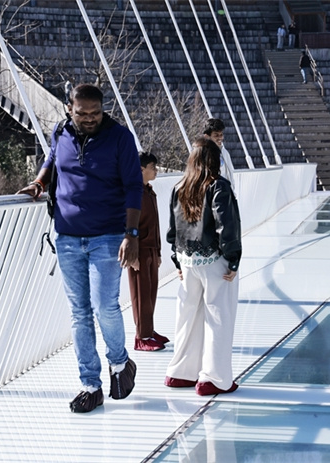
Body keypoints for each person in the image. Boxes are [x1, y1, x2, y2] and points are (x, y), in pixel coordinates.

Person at [17, 83, 142, 413]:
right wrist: (39, 182)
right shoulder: (60, 132)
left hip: (108, 236)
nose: (90, 119)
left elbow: (134, 186)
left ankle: (120, 362)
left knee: (105, 306)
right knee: (79, 314)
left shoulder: (120, 137)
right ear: (69, 109)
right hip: (67, 237)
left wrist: (131, 234)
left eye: (95, 113)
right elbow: (52, 159)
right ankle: (91, 385)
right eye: (82, 113)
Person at [164, 137, 242, 396]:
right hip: (214, 260)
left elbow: (173, 229)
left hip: (187, 260)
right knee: (218, 316)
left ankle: (180, 372)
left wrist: (177, 260)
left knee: (187, 316)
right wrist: (233, 259)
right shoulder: (218, 186)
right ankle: (213, 378)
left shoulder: (179, 186)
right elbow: (226, 226)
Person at [128, 152, 170, 351]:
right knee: (141, 294)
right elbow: (128, 224)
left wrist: (158, 252)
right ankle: (142, 337)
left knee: (151, 293)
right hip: (139, 251)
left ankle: (149, 331)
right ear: (141, 169)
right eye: (153, 167)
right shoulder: (132, 192)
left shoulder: (149, 191)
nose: (156, 170)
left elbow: (155, 223)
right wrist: (132, 255)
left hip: (151, 248)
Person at [203, 118, 235, 188]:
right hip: (212, 192)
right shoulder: (203, 154)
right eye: (216, 135)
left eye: (221, 135)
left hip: (225, 192)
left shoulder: (224, 152)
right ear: (207, 137)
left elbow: (230, 175)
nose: (220, 138)